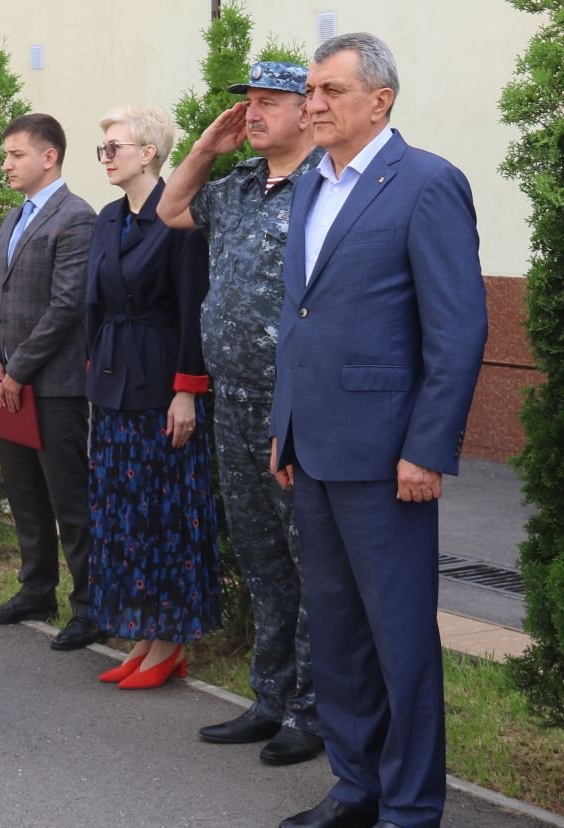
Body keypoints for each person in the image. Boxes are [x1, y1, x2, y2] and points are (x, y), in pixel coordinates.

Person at [270, 34, 487, 828]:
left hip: (387, 455)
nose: (312, 105)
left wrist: (427, 447)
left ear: (380, 100)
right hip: (314, 447)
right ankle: (355, 786)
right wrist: (282, 425)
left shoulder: (426, 183)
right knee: (335, 633)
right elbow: (300, 318)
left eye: (329, 91)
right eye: (310, 92)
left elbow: (457, 330)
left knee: (400, 645)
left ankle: (410, 805)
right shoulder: (309, 186)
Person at [157, 63, 326, 765]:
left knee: (310, 561)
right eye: (248, 104)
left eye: (269, 103)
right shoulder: (235, 190)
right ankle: (269, 695)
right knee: (261, 558)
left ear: (306, 111)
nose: (253, 114)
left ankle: (315, 712)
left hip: (297, 408)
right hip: (235, 402)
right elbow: (169, 211)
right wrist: (204, 148)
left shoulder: (326, 190)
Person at [84, 104, 220, 690]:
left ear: (149, 154)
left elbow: (195, 310)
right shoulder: (108, 219)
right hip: (114, 385)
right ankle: (144, 634)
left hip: (163, 386)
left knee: (164, 517)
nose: (107, 157)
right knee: (125, 517)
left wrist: (186, 391)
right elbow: (94, 305)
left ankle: (170, 640)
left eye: (115, 147)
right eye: (104, 148)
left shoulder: (179, 217)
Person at [0, 113, 99, 651]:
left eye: (15, 155)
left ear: (49, 157)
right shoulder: (12, 219)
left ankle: (91, 605)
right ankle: (36, 589)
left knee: (68, 499)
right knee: (24, 495)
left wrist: (18, 369)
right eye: (5, 156)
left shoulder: (76, 218)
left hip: (53, 387)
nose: (5, 164)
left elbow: (67, 306)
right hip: (8, 383)